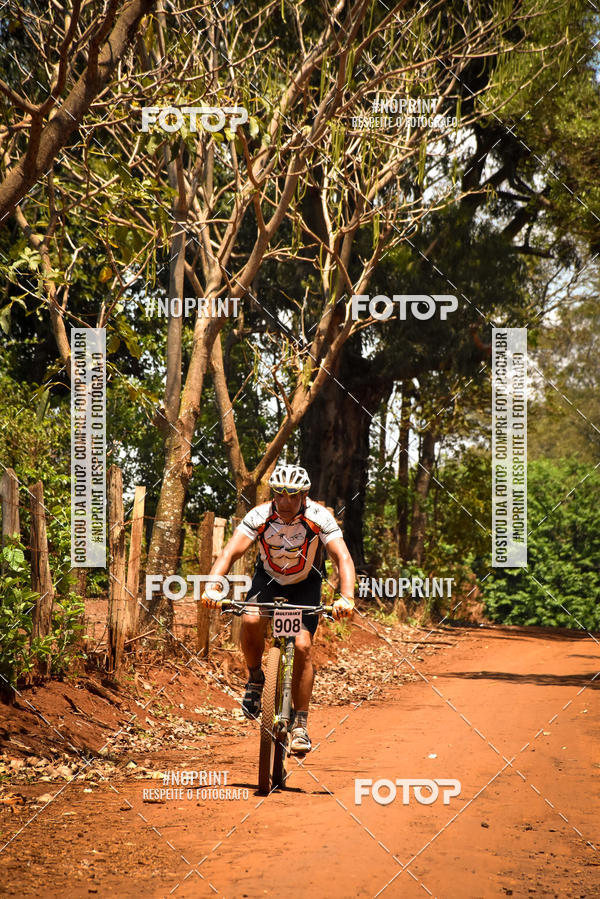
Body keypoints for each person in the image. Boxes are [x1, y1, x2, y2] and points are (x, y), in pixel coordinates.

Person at [201, 464, 355, 754]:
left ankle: (300, 723)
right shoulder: (259, 515)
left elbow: (341, 557)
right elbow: (230, 551)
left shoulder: (318, 517)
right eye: (280, 495)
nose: (285, 502)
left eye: (292, 496)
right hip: (268, 580)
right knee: (249, 620)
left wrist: (346, 596)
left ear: (304, 495)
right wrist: (212, 587)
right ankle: (256, 679)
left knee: (301, 645)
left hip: (305, 584)